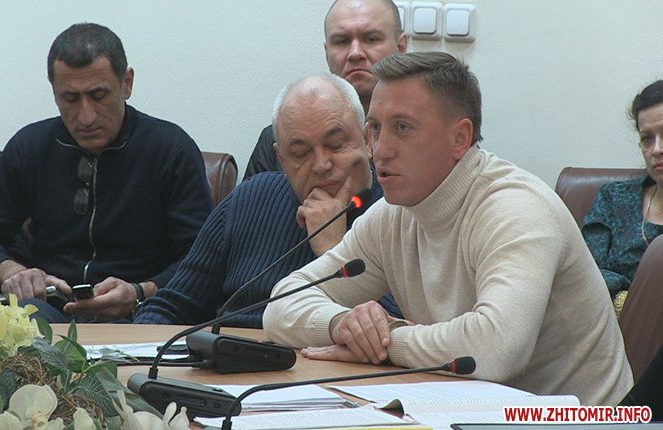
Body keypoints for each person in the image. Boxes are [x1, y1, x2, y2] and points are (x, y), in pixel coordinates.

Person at [263, 52, 632, 406]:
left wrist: (386, 339)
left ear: (460, 138)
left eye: (403, 128)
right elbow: (280, 305)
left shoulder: (516, 209)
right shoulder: (393, 215)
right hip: (468, 409)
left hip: (579, 418)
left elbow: (496, 349)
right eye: (375, 128)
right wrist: (343, 324)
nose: (381, 150)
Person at [0, 23, 213, 322]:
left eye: (99, 95)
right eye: (70, 99)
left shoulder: (171, 150)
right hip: (48, 311)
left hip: (142, 313)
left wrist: (141, 292)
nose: (86, 117)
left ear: (127, 83)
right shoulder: (31, 147)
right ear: (54, 93)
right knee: (22, 322)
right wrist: (11, 272)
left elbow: (203, 260)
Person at [135, 74, 399, 327]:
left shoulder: (398, 215)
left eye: (336, 144)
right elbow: (169, 308)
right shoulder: (249, 200)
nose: (321, 165)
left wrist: (334, 248)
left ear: (368, 140)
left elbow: (398, 327)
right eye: (301, 153)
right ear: (281, 159)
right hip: (233, 352)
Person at [244, 0, 407, 179]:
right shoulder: (279, 139)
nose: (355, 53)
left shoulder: (422, 136)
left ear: (401, 47)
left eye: (371, 39)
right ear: (327, 52)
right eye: (342, 41)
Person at [582, 80, 663, 312]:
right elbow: (585, 272)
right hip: (612, 324)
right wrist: (625, 301)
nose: (657, 149)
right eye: (647, 138)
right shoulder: (613, 198)